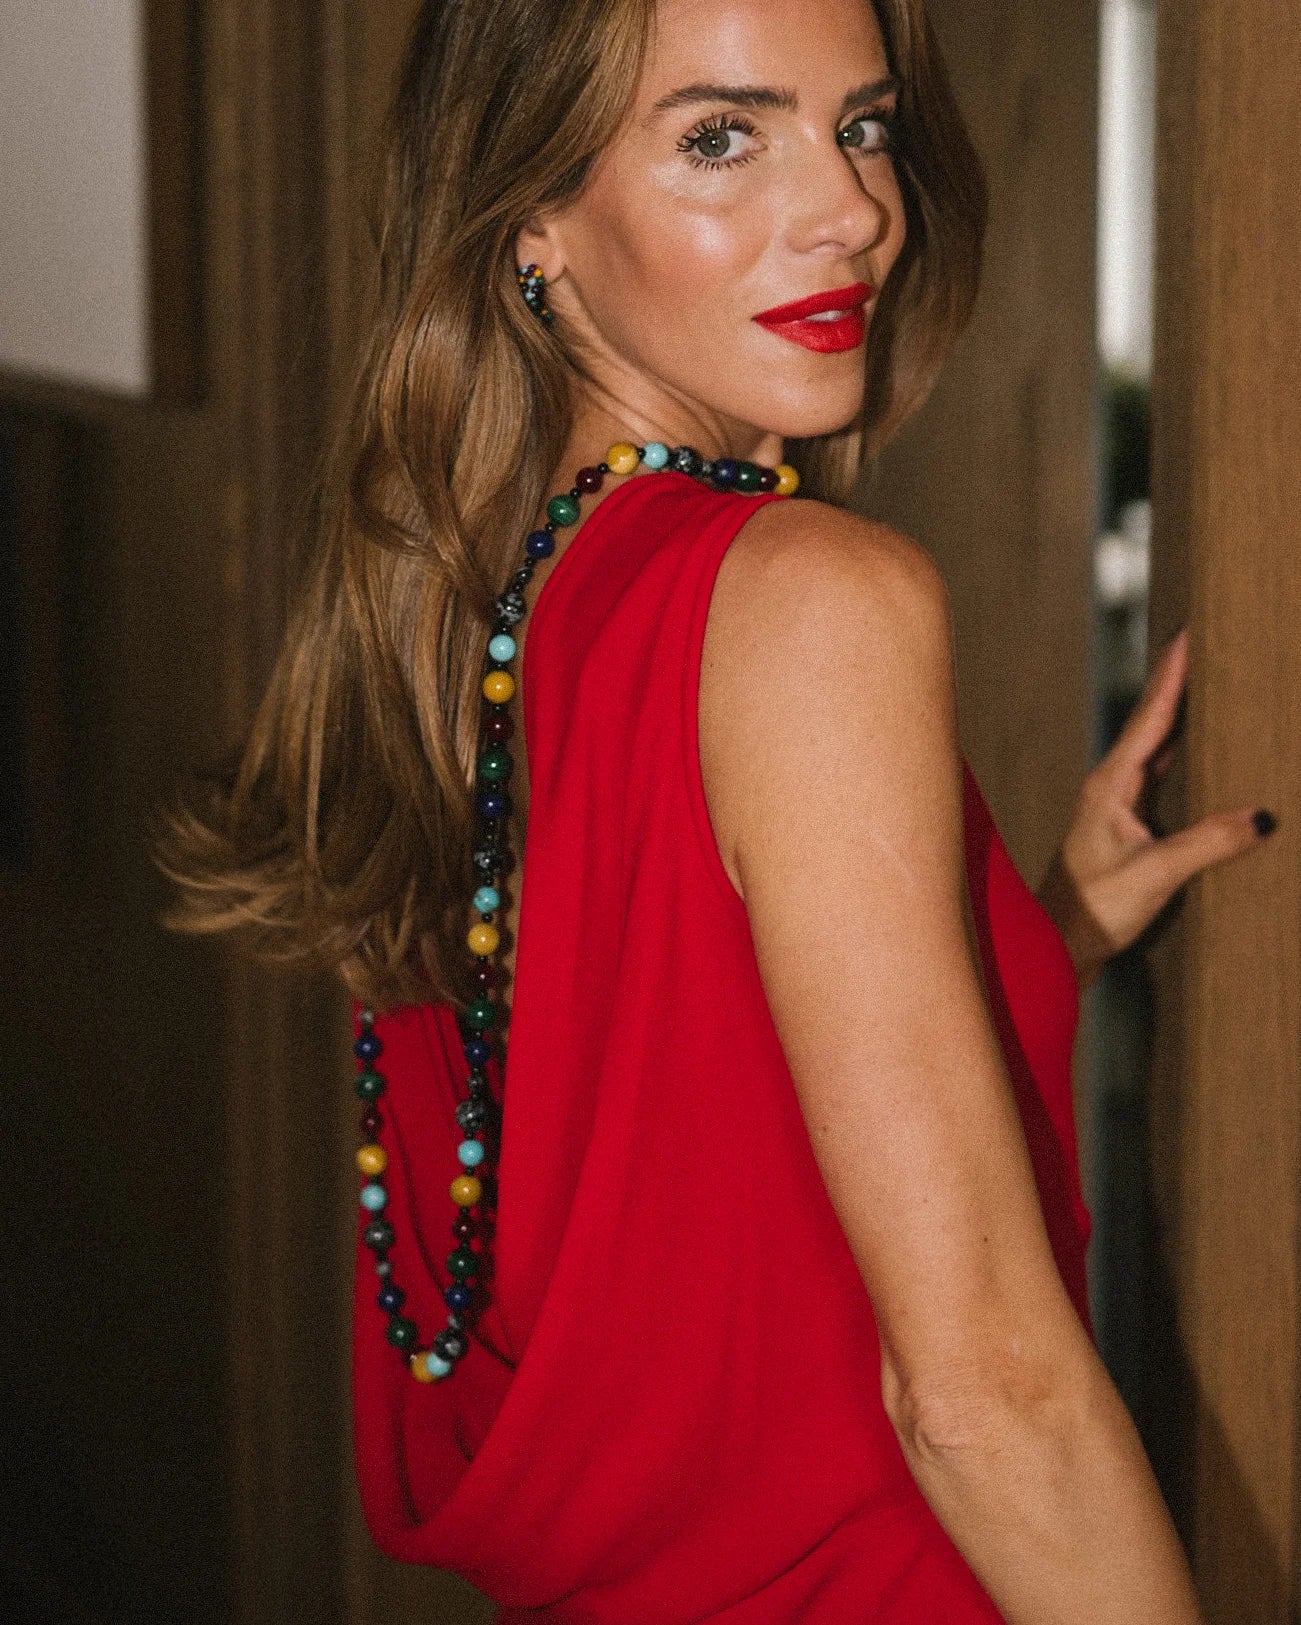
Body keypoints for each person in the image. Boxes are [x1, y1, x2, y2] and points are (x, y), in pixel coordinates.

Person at [155, 0, 1277, 1618]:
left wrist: (1046, 928)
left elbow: (669, 1112)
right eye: (719, 138)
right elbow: (984, 1398)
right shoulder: (806, 599)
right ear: (530, 221)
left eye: (861, 125)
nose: (850, 211)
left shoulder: (467, 604)